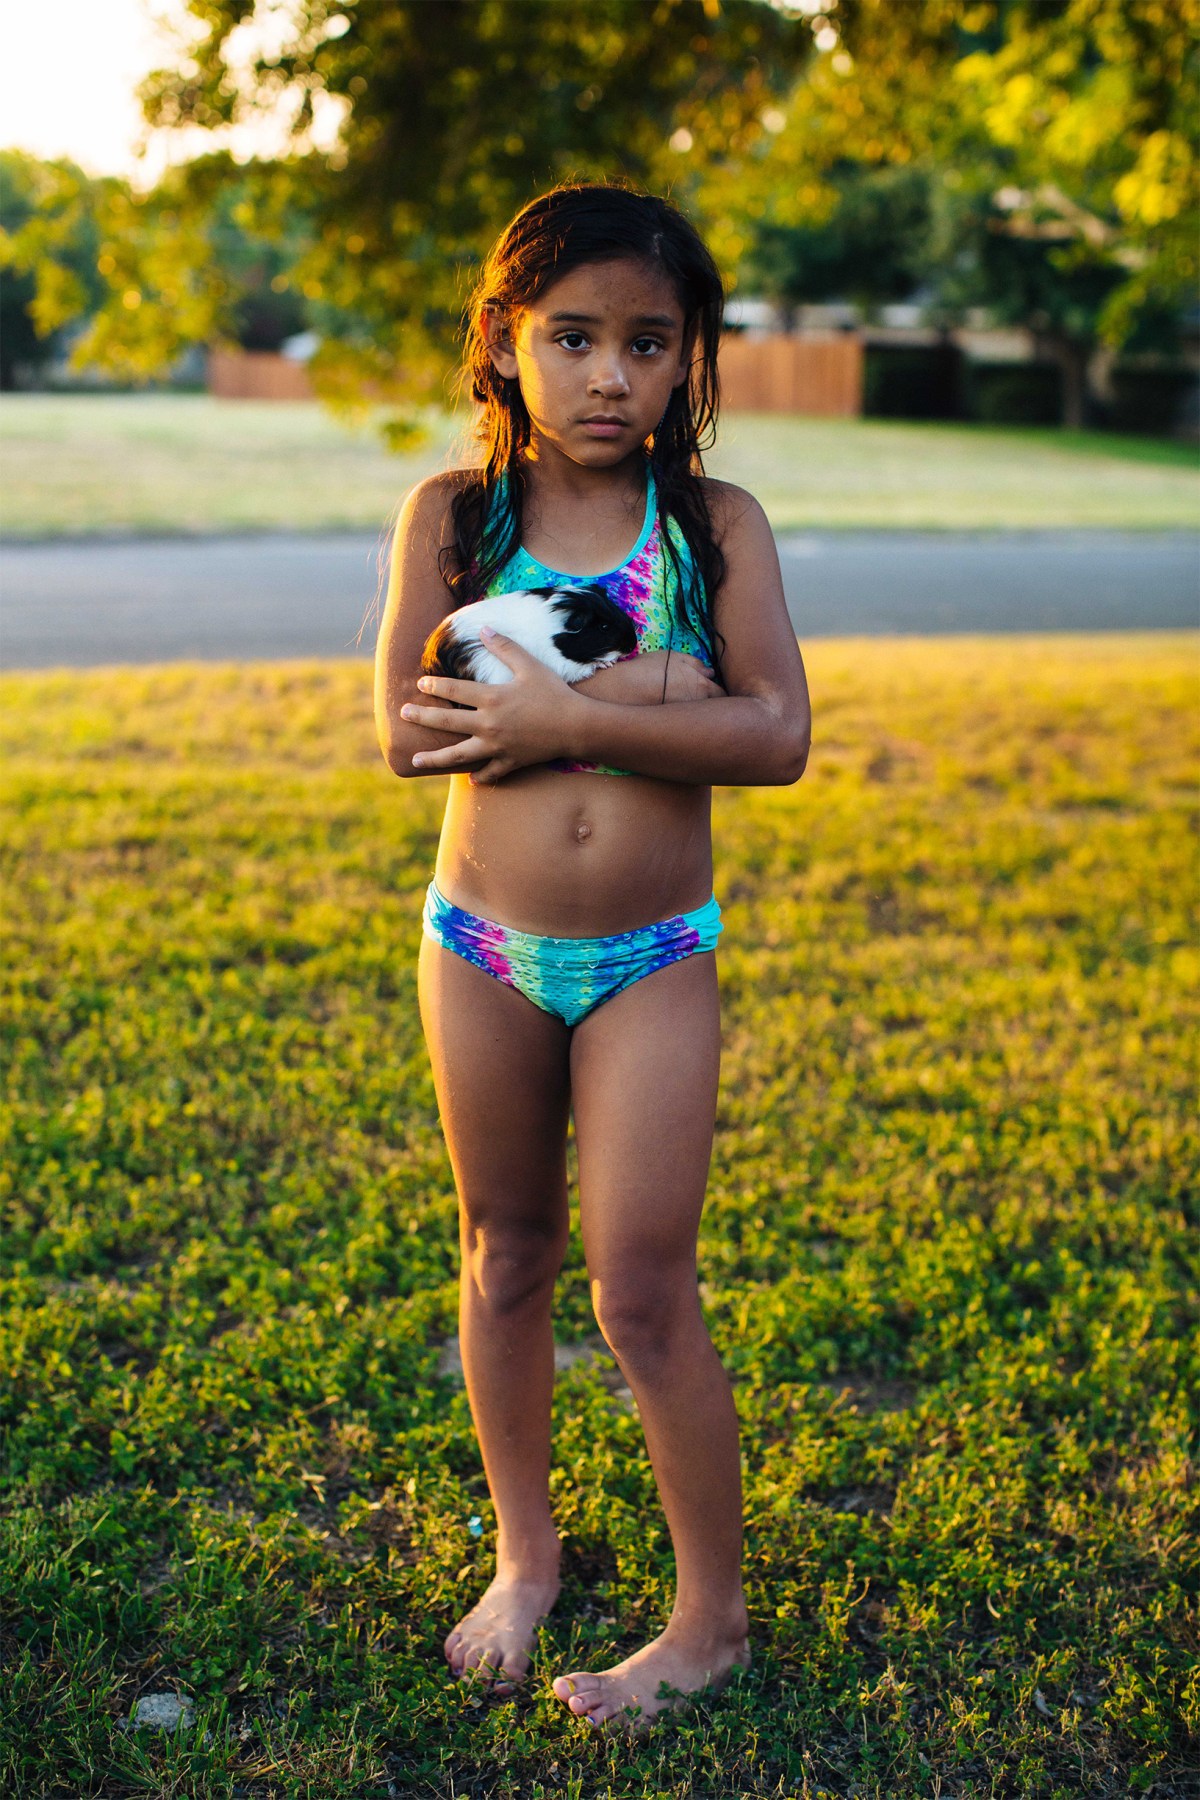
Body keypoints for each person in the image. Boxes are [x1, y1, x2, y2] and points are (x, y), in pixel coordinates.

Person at [373, 182, 810, 1732]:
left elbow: (777, 734)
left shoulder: (710, 527)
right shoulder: (452, 518)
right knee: (505, 1256)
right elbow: (411, 735)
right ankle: (526, 1555)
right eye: (573, 337)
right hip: (482, 946)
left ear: (691, 356)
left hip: (650, 954)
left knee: (641, 1286)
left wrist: (573, 715)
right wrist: (649, 690)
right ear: (505, 345)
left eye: (648, 340)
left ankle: (711, 1622)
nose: (610, 374)